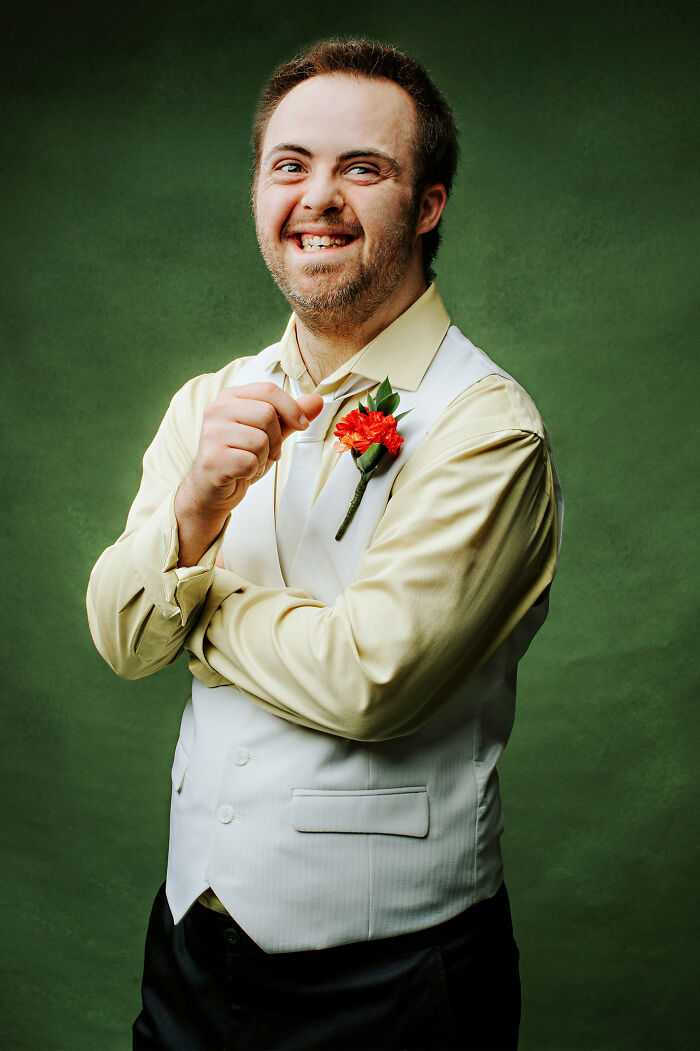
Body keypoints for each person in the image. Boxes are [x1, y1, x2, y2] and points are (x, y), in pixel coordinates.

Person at [87, 38, 562, 1051]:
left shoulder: (487, 426)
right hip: (189, 943)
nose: (318, 197)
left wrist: (196, 596)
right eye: (290, 164)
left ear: (426, 204)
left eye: (364, 168)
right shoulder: (208, 402)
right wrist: (193, 512)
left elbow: (370, 679)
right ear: (260, 191)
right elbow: (124, 640)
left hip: (398, 972)